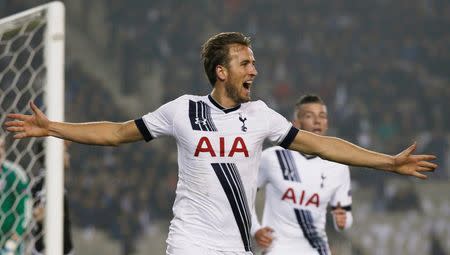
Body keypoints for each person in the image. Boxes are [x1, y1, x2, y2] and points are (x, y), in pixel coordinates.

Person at [4, 32, 437, 255]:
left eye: (255, 61)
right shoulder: (182, 111)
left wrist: (387, 163)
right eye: (246, 62)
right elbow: (117, 133)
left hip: (237, 245)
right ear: (221, 71)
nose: (256, 69)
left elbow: (323, 146)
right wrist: (54, 128)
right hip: (190, 241)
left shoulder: (261, 115)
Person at [251, 95, 353, 254]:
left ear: (327, 123)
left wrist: (343, 221)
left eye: (322, 116)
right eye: (309, 116)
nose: (317, 121)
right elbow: (242, 196)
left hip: (316, 250)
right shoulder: (272, 158)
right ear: (296, 123)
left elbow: (344, 216)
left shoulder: (338, 166)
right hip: (277, 249)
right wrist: (255, 229)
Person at [30, 141, 74, 255]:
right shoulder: (46, 185)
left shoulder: (52, 183)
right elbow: (38, 215)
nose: (69, 156)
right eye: (65, 152)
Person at [0, 136, 31, 255]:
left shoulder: (14, 174)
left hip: (9, 246)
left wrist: (17, 233)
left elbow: (25, 208)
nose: (0, 151)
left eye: (2, 147)